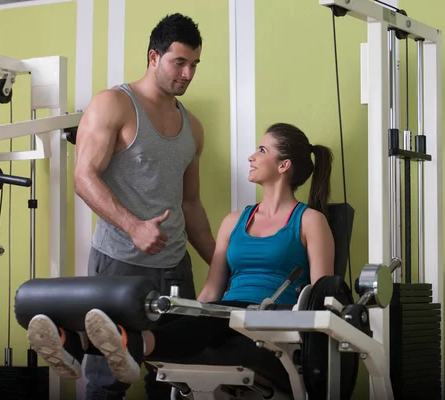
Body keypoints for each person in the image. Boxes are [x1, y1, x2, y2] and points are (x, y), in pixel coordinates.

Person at [26, 122, 335, 395]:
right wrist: (189, 312)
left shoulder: (309, 221)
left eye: (262, 150)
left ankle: (135, 346)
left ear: (283, 165)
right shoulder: (234, 221)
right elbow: (212, 291)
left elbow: (321, 300)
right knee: (162, 313)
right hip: (226, 316)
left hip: (270, 328)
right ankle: (75, 342)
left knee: (218, 315)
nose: (252, 156)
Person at [70, 12, 216, 400]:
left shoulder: (193, 127)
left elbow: (191, 203)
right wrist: (134, 226)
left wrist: (221, 263)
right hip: (120, 263)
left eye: (194, 65)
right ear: (154, 57)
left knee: (173, 378)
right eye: (179, 62)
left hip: (174, 267)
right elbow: (83, 178)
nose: (187, 74)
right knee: (108, 378)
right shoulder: (113, 104)